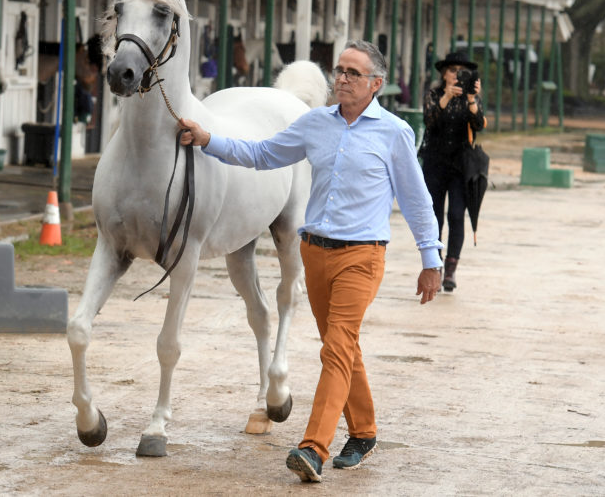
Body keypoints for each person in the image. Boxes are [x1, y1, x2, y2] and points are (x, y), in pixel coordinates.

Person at [178, 40, 443, 483]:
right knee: (344, 347)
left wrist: (430, 258)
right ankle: (364, 432)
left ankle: (313, 447)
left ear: (375, 84)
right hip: (314, 254)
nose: (340, 78)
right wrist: (209, 141)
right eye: (339, 70)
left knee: (335, 349)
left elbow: (416, 200)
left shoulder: (394, 133)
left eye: (352, 73)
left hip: (362, 257)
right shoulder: (314, 123)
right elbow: (262, 155)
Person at [419, 50, 485, 293]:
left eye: (462, 71)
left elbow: (479, 125)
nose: (457, 75)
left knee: (457, 215)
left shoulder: (472, 97)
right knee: (433, 216)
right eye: (452, 70)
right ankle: (433, 266)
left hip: (461, 165)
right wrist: (446, 97)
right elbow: (430, 120)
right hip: (435, 162)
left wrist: (471, 100)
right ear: (444, 74)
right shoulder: (435, 94)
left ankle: (451, 268)